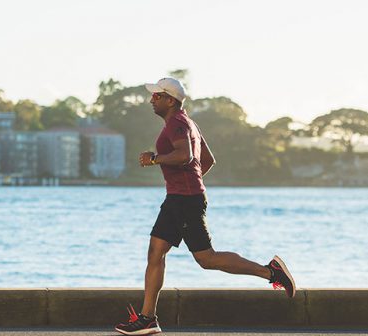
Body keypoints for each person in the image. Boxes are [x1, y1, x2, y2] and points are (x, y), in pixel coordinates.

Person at [115, 78, 295, 335]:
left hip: (184, 201)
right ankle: (148, 319)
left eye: (156, 96)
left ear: (170, 100)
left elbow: (186, 156)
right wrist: (190, 182)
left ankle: (271, 272)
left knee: (206, 258)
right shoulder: (188, 123)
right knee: (156, 253)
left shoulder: (177, 123)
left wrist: (155, 159)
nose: (151, 99)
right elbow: (207, 160)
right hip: (180, 198)